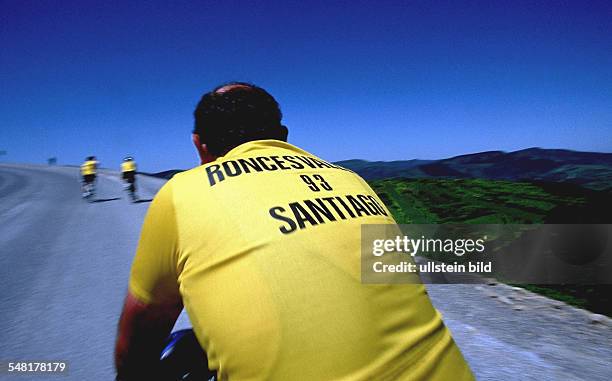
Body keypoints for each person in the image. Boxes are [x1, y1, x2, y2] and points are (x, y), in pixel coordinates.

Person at [115, 82, 474, 380]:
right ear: (283, 136)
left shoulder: (182, 191)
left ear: (199, 145)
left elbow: (142, 331)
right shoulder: (352, 179)